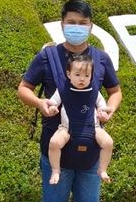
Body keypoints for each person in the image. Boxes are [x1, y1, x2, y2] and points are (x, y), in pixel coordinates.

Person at [17, 0, 122, 202]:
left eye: (82, 22)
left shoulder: (101, 59)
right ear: (62, 23)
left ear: (90, 25)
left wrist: (109, 112)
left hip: (90, 152)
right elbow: (24, 88)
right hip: (56, 151)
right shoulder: (47, 55)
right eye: (71, 21)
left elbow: (115, 92)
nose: (76, 27)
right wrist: (40, 104)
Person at [46, 52, 114, 185]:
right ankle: (55, 170)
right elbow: (52, 102)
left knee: (108, 142)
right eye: (77, 75)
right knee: (54, 143)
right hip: (67, 128)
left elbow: (102, 106)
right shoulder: (62, 89)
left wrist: (103, 113)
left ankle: (102, 169)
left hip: (93, 127)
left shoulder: (94, 91)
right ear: (68, 74)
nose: (82, 79)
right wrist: (53, 108)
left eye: (86, 76)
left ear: (91, 76)